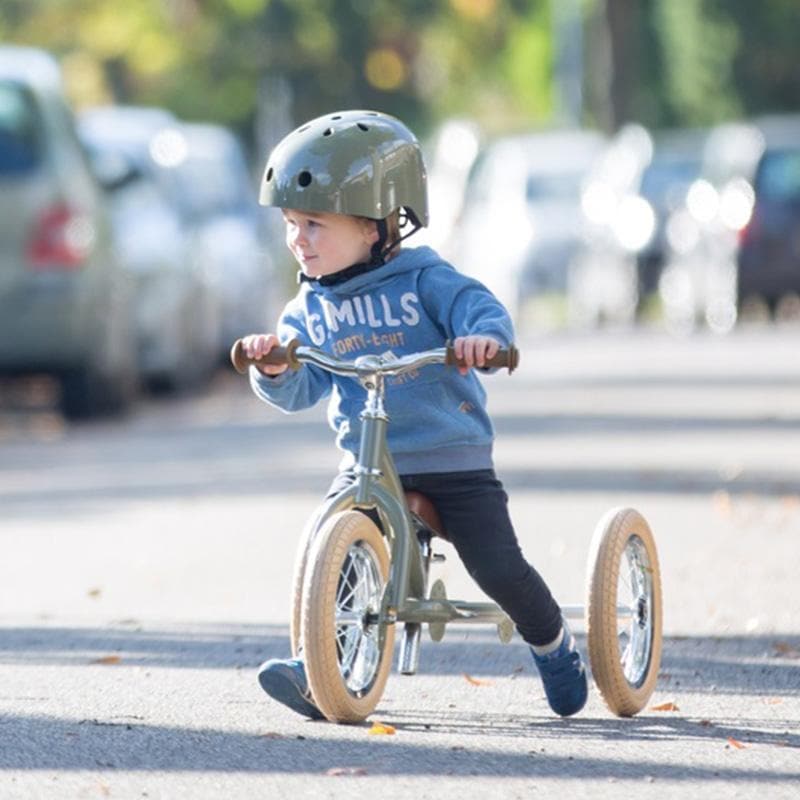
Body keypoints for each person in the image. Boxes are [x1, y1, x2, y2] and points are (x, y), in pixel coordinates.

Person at [240, 109, 587, 719]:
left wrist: (479, 340)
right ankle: (321, 668)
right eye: (293, 224)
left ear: (376, 226)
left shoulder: (425, 279)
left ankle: (554, 645)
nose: (299, 239)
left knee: (498, 568)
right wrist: (274, 368)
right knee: (331, 543)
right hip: (368, 462)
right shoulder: (309, 306)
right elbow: (304, 387)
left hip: (450, 456)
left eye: (315, 224)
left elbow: (480, 311)